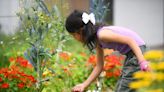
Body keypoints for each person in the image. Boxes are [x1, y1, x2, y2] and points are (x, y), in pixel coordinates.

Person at [65, 10, 149, 92]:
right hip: (132, 55)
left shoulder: (102, 35)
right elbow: (99, 66)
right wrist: (84, 85)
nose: (74, 38)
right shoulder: (98, 40)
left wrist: (142, 61)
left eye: (73, 35)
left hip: (137, 53)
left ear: (80, 31)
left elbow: (130, 40)